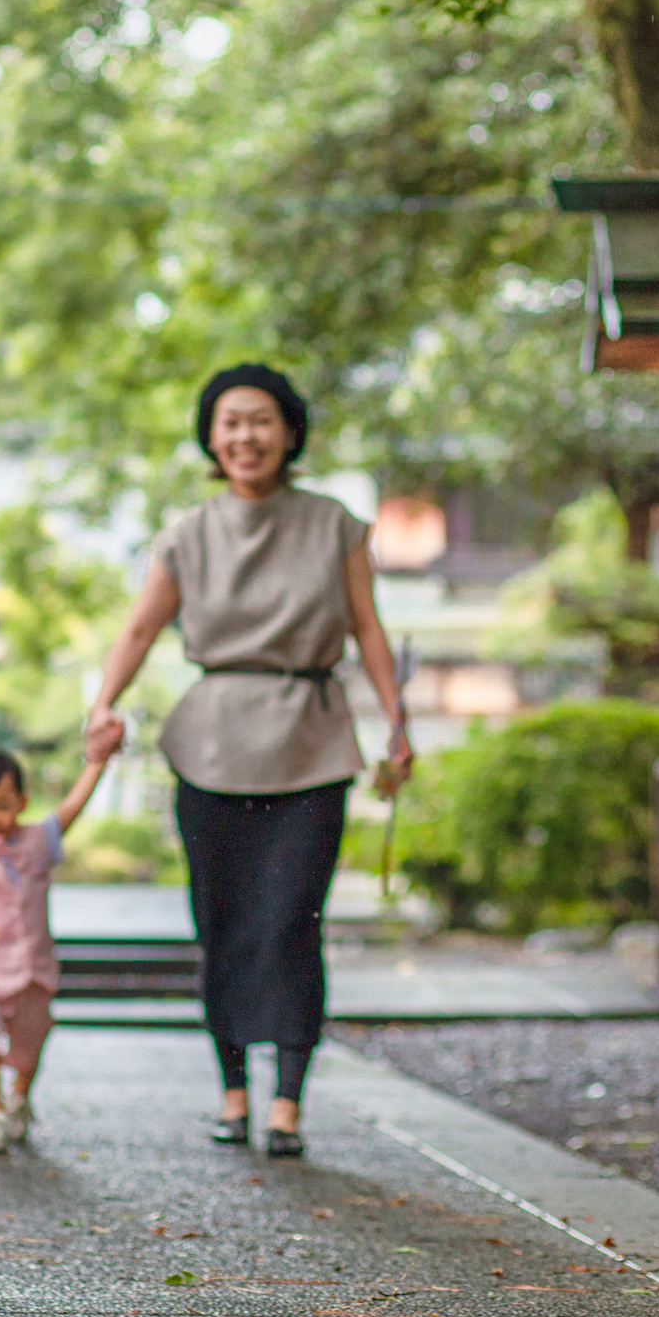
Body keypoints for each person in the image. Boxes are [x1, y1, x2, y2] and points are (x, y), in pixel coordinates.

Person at [84, 364, 412, 1159]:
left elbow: (368, 629)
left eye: (261, 420)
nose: (245, 436)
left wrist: (395, 724)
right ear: (211, 437)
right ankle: (233, 1092)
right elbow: (138, 629)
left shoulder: (336, 525)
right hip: (212, 742)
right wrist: (103, 702)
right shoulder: (187, 532)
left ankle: (288, 1102)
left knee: (292, 919)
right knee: (223, 922)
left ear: (290, 431)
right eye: (229, 422)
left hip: (310, 738)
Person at [0, 747, 109, 1153]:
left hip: (32, 969)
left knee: (29, 1046)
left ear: (22, 803)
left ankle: (20, 1098)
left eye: (4, 807)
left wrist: (97, 760)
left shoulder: (39, 841)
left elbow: (73, 807)